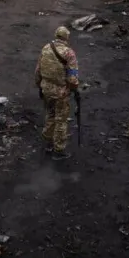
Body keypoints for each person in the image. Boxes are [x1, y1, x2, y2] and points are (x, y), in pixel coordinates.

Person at [34, 26, 79, 160]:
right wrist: (74, 89)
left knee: (50, 114)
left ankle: (47, 142)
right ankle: (59, 150)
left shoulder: (46, 48)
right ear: (66, 37)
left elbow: (38, 70)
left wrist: (39, 85)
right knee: (61, 120)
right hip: (61, 92)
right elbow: (72, 77)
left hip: (46, 88)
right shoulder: (69, 53)